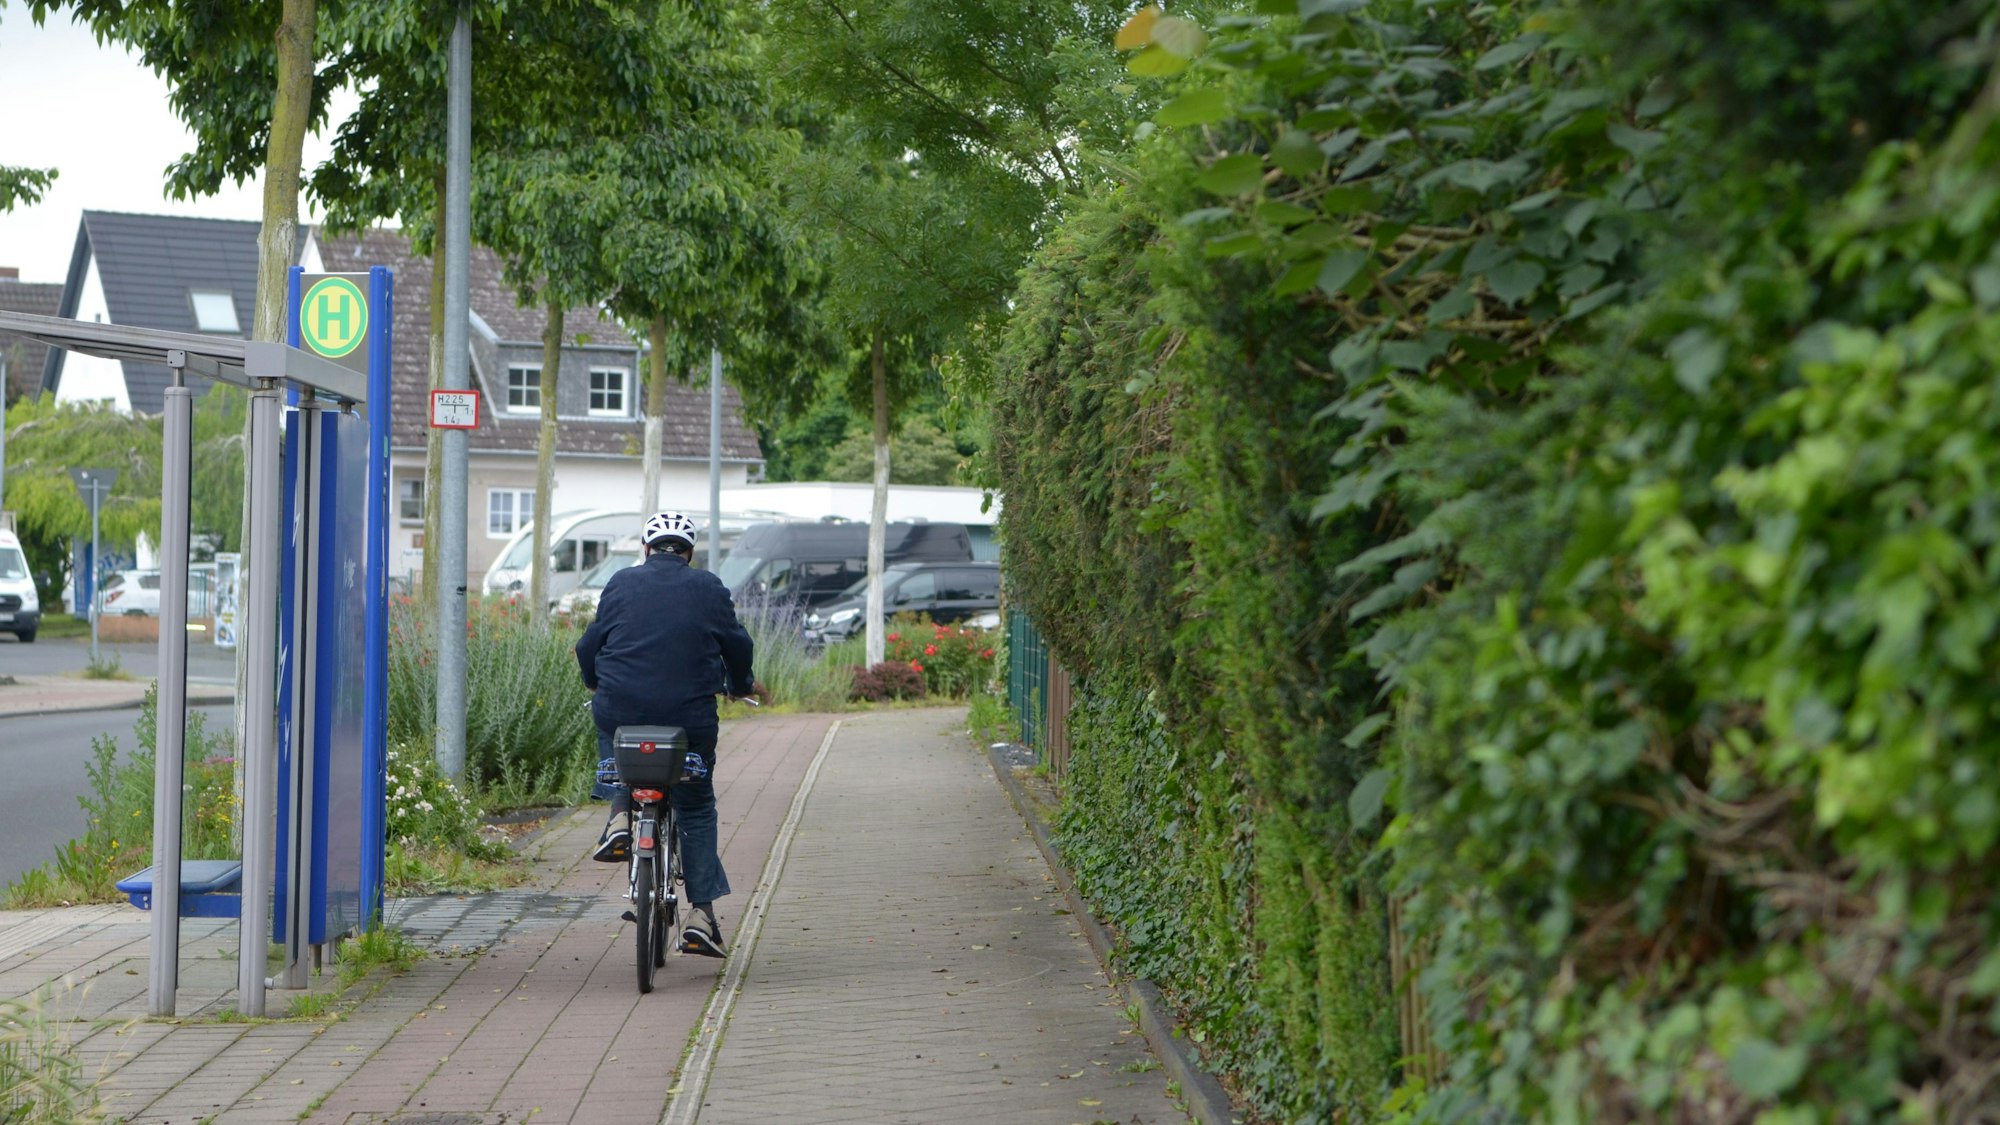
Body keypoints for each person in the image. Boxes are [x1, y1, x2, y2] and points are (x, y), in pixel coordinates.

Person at [575, 509, 767, 958]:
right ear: (689, 553)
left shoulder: (622, 581)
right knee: (696, 805)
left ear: (645, 548)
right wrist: (739, 686)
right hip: (688, 719)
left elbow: (590, 644)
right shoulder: (708, 586)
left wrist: (595, 682)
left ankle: (620, 817)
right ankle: (701, 916)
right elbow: (738, 645)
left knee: (614, 733)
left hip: (621, 709)